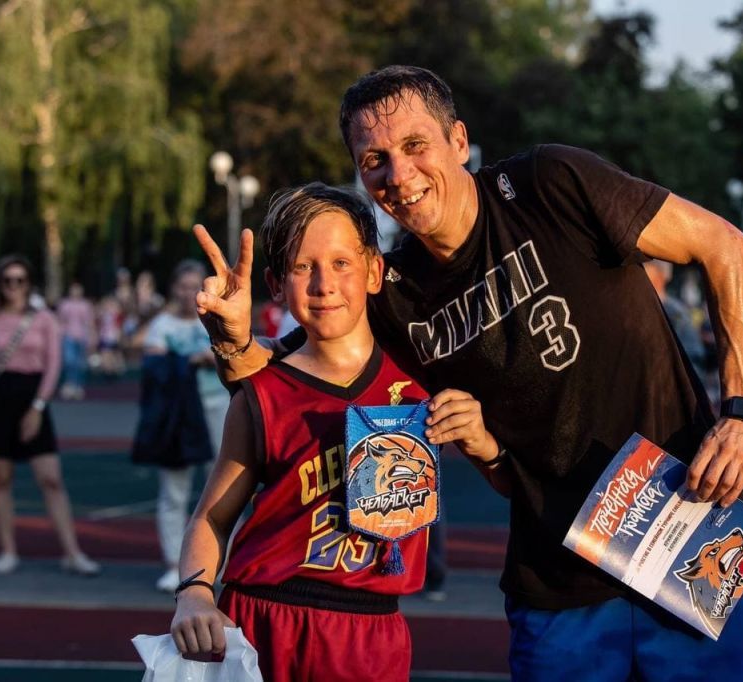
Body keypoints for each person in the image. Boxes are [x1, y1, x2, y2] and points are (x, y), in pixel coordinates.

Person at [196, 66, 743, 680]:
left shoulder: (550, 182)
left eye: (414, 145)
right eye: (374, 160)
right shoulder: (392, 294)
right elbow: (281, 381)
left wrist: (742, 412)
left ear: (458, 142)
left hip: (690, 533)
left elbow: (725, 246)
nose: (398, 174)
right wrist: (233, 337)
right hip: (556, 579)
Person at [171, 183, 500, 680]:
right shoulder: (261, 394)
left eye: (342, 263)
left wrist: (485, 443)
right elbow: (212, 517)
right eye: (303, 267)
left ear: (374, 270)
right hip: (263, 620)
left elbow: (511, 480)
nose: (324, 284)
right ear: (276, 284)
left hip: (372, 631)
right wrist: (194, 593)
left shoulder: (423, 382)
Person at [0, 255, 99, 576]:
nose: (13, 287)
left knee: (51, 478)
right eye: (7, 281)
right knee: (0, 478)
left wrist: (38, 406)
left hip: (32, 398)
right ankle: (8, 550)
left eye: (19, 280)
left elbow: (53, 365)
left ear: (29, 284)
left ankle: (72, 552)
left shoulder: (43, 318)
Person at [141, 260, 231, 593]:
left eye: (195, 286)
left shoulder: (218, 321)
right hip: (178, 415)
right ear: (172, 289)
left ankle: (221, 562)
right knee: (174, 490)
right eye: (182, 286)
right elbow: (153, 363)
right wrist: (190, 360)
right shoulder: (161, 325)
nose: (188, 293)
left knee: (223, 489)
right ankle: (172, 563)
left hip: (218, 407)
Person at [644, 259, 705, 369]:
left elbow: (693, 355)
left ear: (659, 276)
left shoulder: (676, 313)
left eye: (645, 269)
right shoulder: (647, 308)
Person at [56, 282, 96, 400]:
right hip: (68, 336)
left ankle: (78, 386)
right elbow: (60, 321)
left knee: (80, 363)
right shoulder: (65, 304)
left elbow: (89, 322)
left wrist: (92, 336)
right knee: (69, 361)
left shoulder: (85, 305)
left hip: (82, 336)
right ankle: (69, 384)